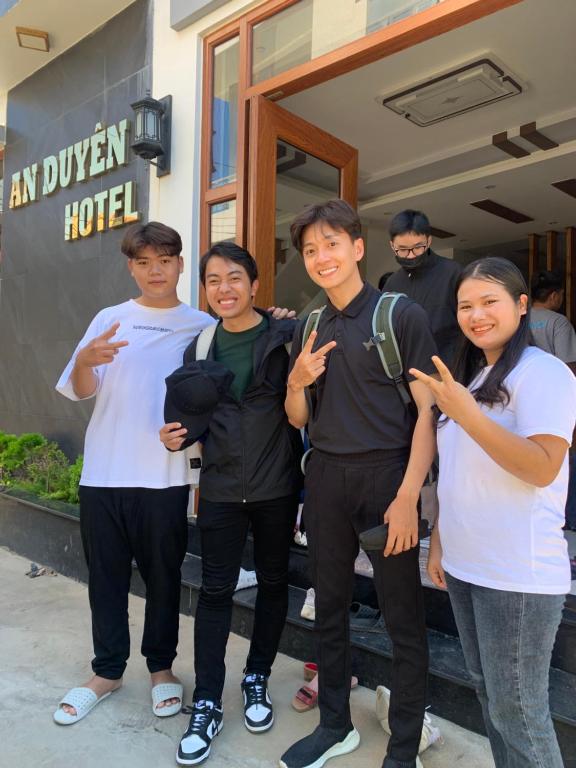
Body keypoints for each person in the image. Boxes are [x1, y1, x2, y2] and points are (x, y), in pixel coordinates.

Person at [281, 199, 438, 768]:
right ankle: (334, 726)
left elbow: (428, 414)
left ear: (357, 246)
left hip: (387, 479)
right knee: (328, 606)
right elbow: (298, 417)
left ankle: (402, 750)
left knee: (403, 618)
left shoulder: (401, 316)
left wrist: (407, 499)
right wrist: (296, 381)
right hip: (323, 477)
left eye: (331, 244)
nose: (322, 257)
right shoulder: (310, 324)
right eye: (311, 250)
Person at [411, 257, 576, 768]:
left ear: (522, 306)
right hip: (466, 563)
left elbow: (544, 467)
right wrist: (440, 538)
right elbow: (460, 472)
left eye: (490, 302)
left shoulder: (543, 372)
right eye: (466, 305)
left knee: (520, 713)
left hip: (517, 575)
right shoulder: (474, 375)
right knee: (491, 699)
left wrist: (463, 413)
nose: (476, 314)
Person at [53, 222, 214, 725]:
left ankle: (161, 669)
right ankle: (106, 671)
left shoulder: (203, 326)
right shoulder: (111, 318)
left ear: (181, 264)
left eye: (165, 260)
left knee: (164, 579)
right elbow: (79, 388)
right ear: (131, 267)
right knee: (105, 579)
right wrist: (85, 359)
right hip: (103, 474)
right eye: (144, 262)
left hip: (165, 477)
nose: (155, 271)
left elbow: (217, 400)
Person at [159, 242, 303, 766]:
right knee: (215, 594)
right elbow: (186, 420)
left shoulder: (289, 335)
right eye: (214, 279)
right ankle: (207, 702)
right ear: (205, 289)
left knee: (272, 585)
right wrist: (173, 437)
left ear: (255, 285)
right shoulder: (198, 349)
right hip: (218, 489)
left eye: (235, 277)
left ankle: (257, 676)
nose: (225, 288)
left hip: (276, 488)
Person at [530, 270, 576, 531]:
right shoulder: (558, 323)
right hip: (554, 402)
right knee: (561, 459)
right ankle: (565, 518)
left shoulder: (519, 321)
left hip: (522, 399)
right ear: (555, 295)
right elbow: (569, 366)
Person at [385, 210, 461, 365]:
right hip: (405, 372)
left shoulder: (453, 273)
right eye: (403, 249)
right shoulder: (392, 283)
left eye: (418, 247)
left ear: (429, 241)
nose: (411, 255)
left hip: (450, 368)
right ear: (392, 246)